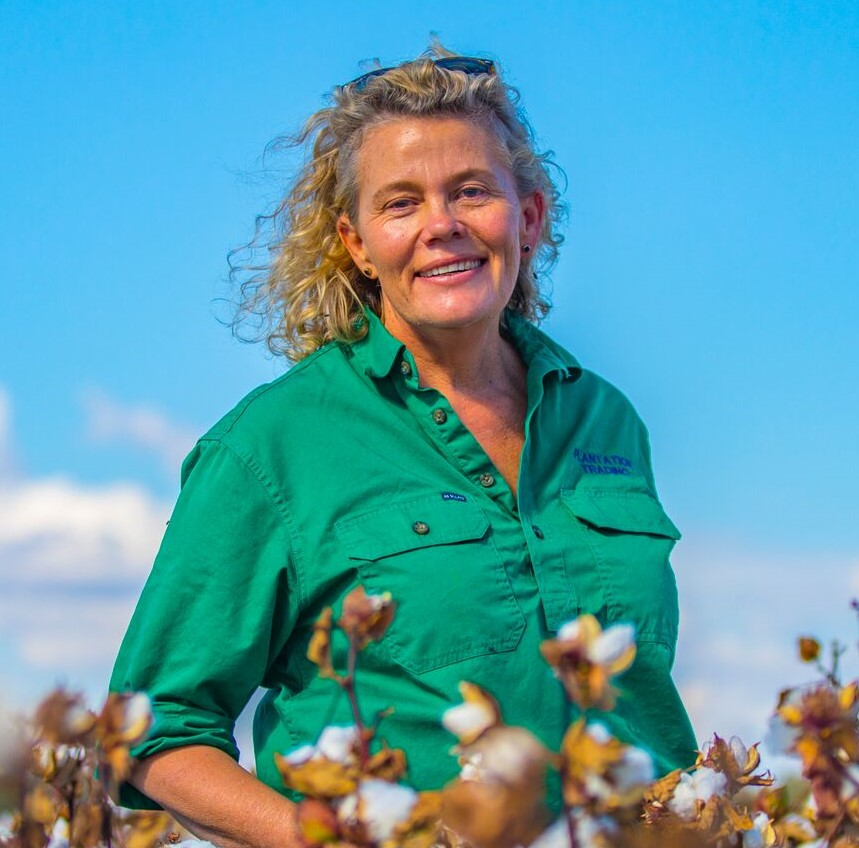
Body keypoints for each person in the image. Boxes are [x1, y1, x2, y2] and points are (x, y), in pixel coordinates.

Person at [110, 44, 696, 848]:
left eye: (471, 192)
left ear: (527, 217)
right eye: (400, 203)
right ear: (355, 243)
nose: (441, 226)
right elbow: (153, 729)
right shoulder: (273, 444)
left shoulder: (606, 420)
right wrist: (329, 842)